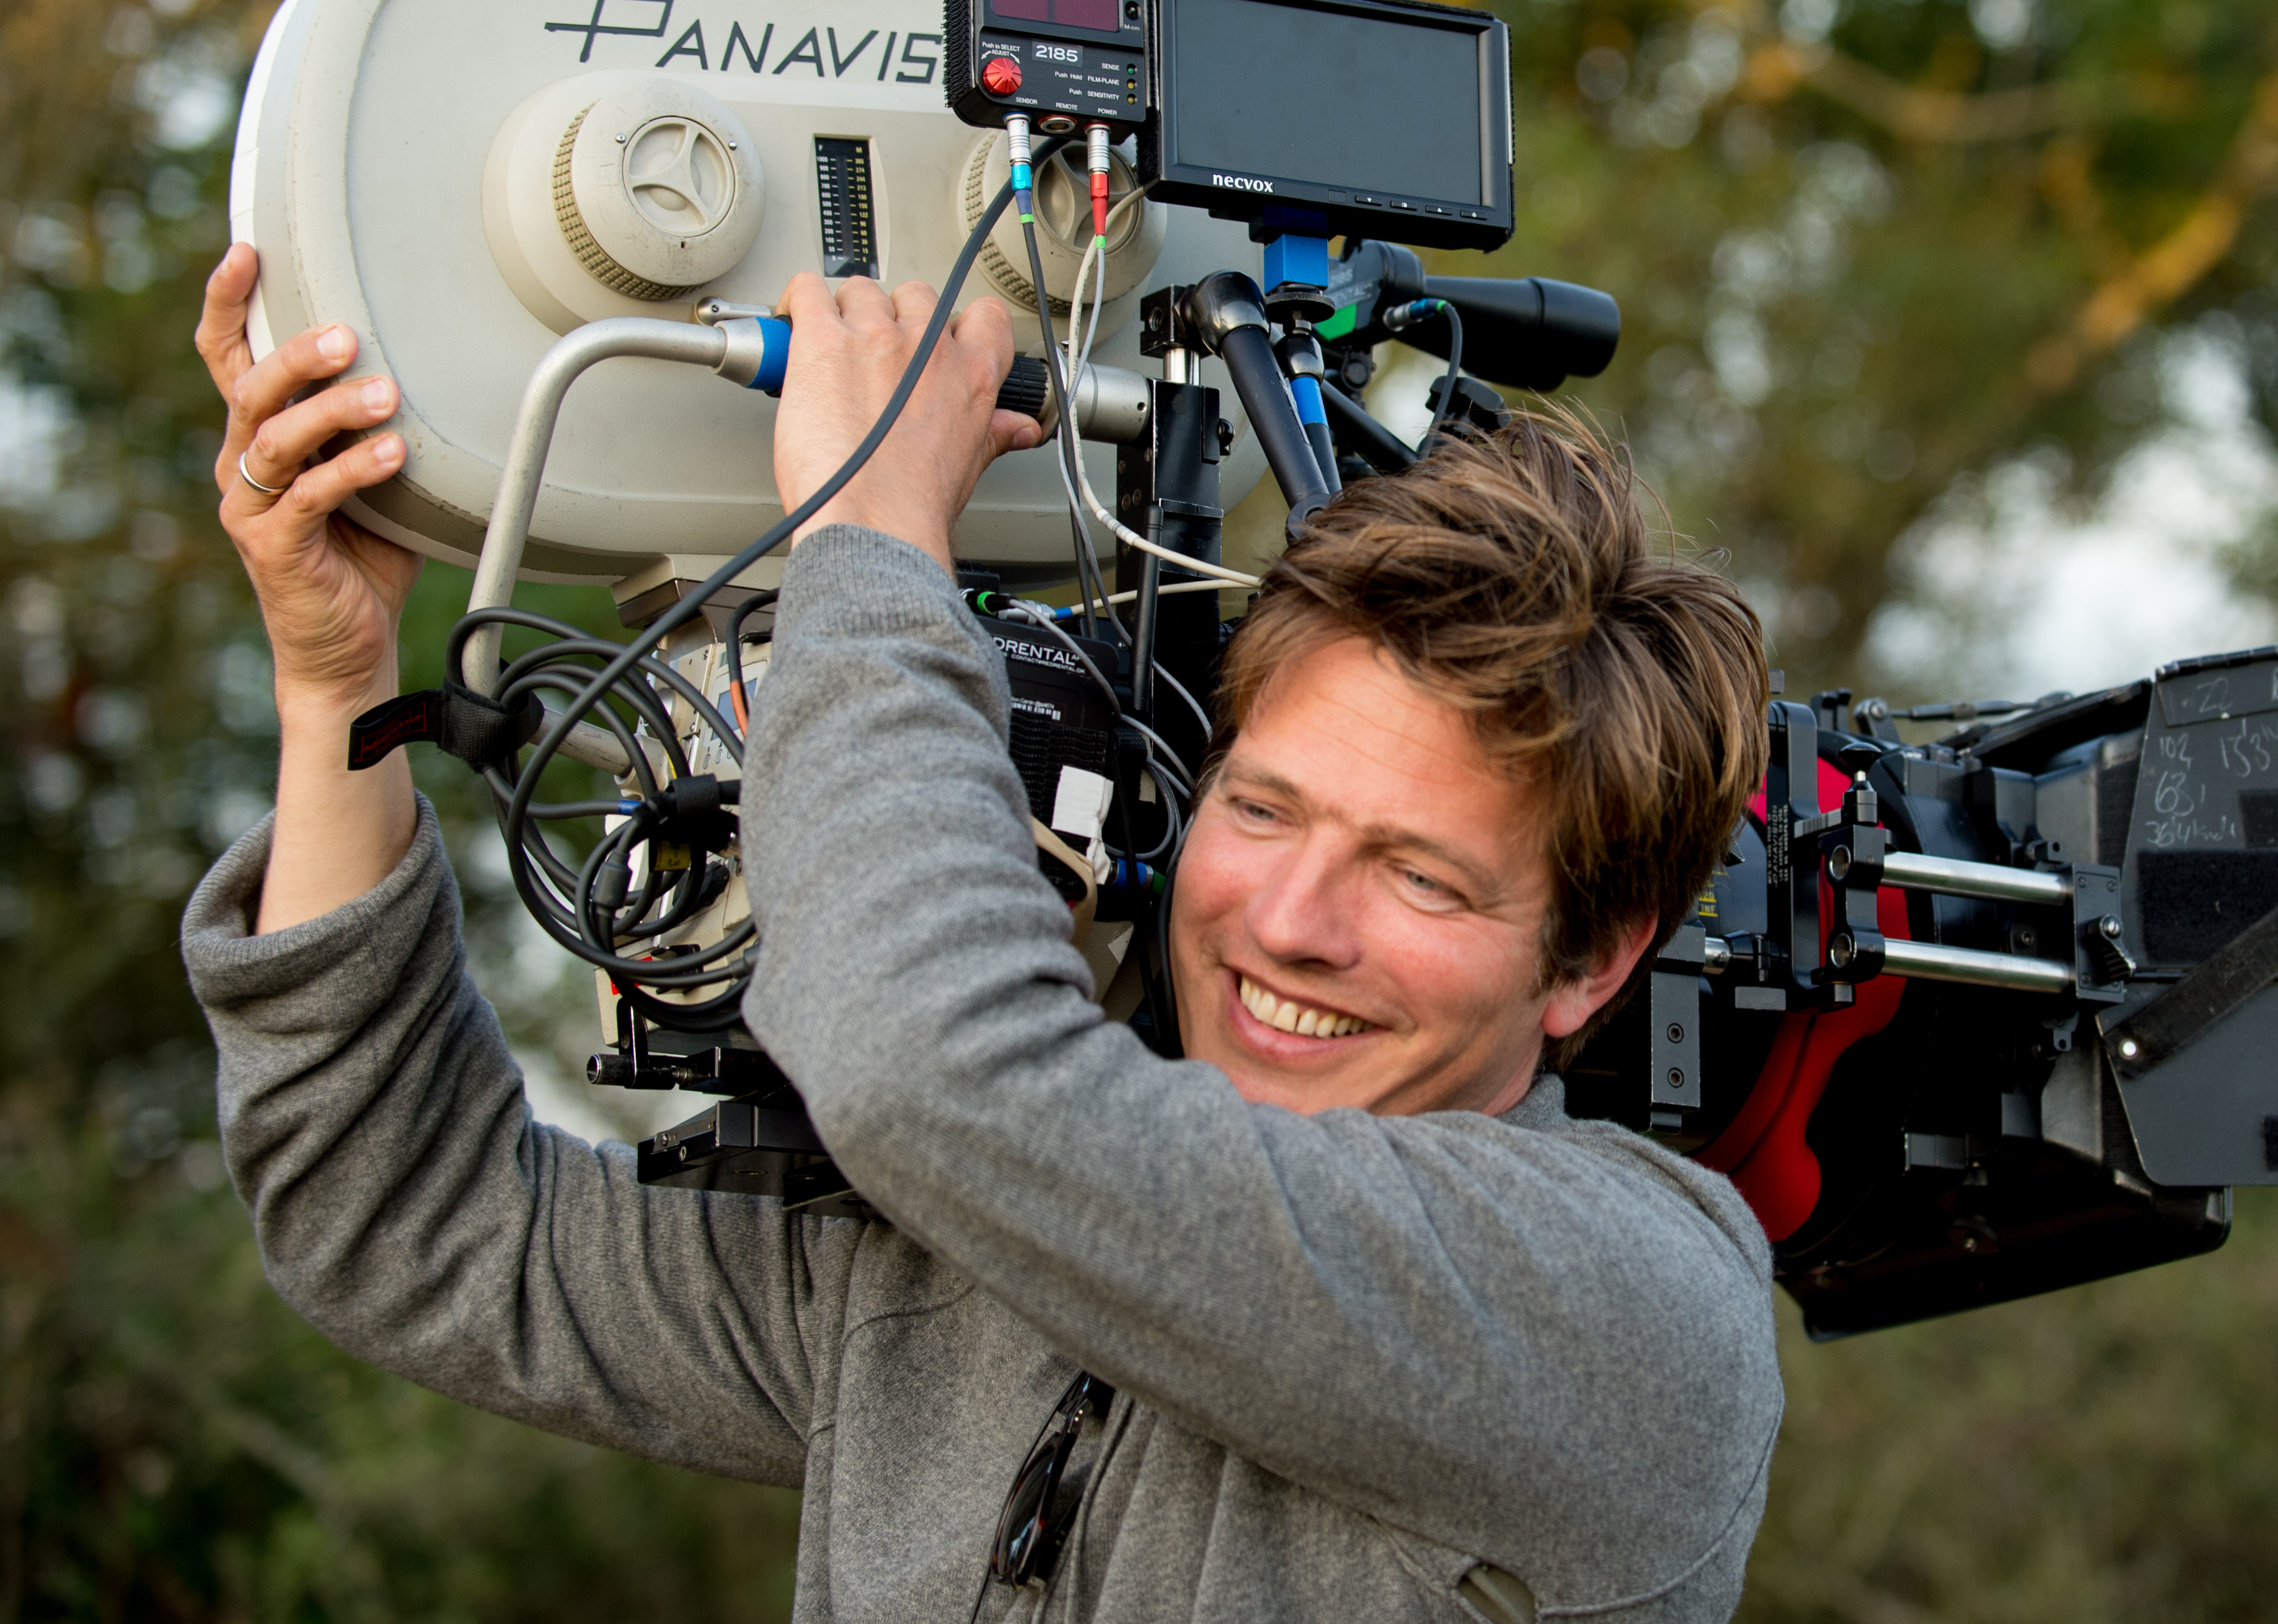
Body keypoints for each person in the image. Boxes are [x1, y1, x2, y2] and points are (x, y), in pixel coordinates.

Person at [181, 241, 1784, 1622]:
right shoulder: (976, 1252)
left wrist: (868, 546)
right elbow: (414, 1224)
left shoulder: (1631, 1313)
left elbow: (925, 1077)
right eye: (1266, 811)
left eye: (1422, 879)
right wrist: (337, 683)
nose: (1289, 925)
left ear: (1592, 958)